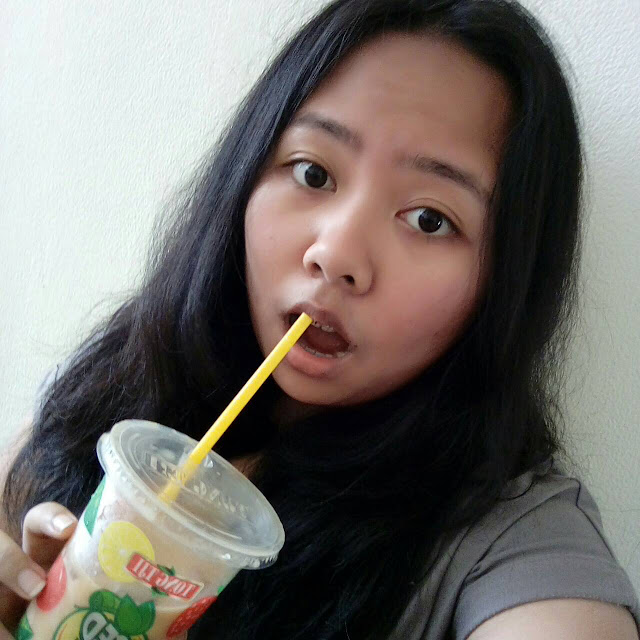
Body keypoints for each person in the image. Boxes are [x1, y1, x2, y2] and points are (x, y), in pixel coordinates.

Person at [1, 0, 638, 638]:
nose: (336, 255)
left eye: (429, 220)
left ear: (505, 280)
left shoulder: (512, 542)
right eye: (313, 172)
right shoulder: (105, 402)